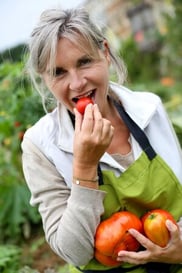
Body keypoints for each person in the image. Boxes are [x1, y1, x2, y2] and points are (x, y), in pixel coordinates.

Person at [21, 7, 182, 273]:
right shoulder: (40, 146)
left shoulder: (149, 109)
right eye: (58, 72)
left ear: (105, 53)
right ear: (44, 79)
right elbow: (75, 252)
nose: (77, 83)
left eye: (84, 62)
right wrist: (84, 168)